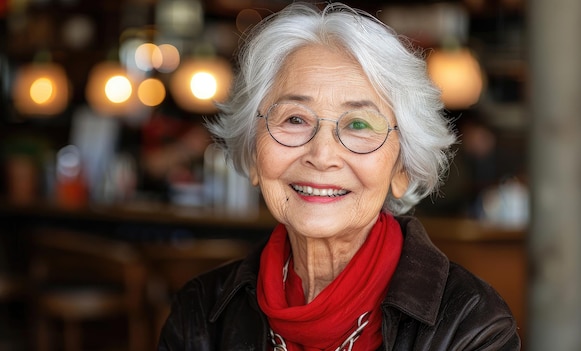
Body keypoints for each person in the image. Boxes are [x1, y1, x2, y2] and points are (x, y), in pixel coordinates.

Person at [158, 2, 521, 350]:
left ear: (402, 168)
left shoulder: (471, 324)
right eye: (295, 119)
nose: (322, 155)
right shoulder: (201, 314)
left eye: (359, 124)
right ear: (254, 155)